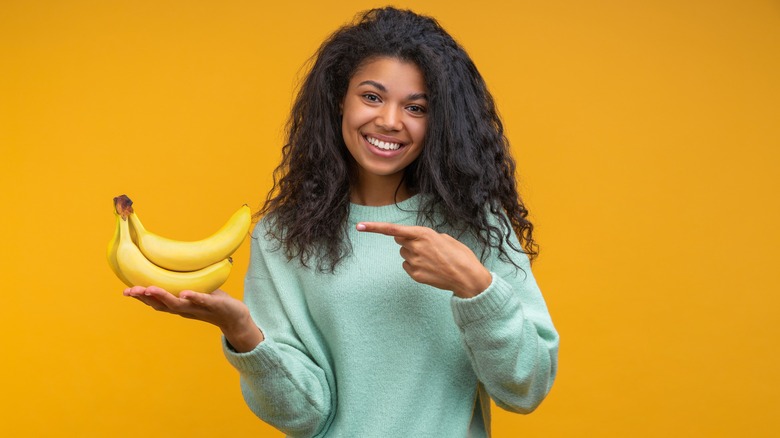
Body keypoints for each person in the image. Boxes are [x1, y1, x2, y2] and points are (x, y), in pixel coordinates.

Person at [124, 6, 559, 437]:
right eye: (372, 97)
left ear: (440, 120)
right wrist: (241, 331)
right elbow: (306, 416)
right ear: (339, 101)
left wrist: (475, 286)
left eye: (416, 107)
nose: (389, 121)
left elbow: (526, 389)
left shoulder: (475, 221)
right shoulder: (282, 237)